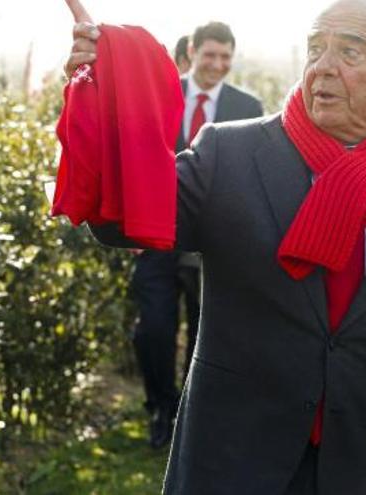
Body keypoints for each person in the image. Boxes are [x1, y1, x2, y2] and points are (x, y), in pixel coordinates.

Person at [63, 0, 366, 493]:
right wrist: (102, 93)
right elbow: (122, 221)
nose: (322, 66)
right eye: (315, 49)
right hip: (231, 462)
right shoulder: (228, 154)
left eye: (349, 52)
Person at [130, 20, 263, 449]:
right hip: (153, 235)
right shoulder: (157, 94)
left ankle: (189, 412)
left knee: (206, 329)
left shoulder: (248, 107)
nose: (218, 65)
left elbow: (250, 178)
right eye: (210, 55)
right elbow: (135, 157)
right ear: (191, 51)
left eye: (226, 57)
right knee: (153, 328)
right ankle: (160, 409)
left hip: (213, 243)